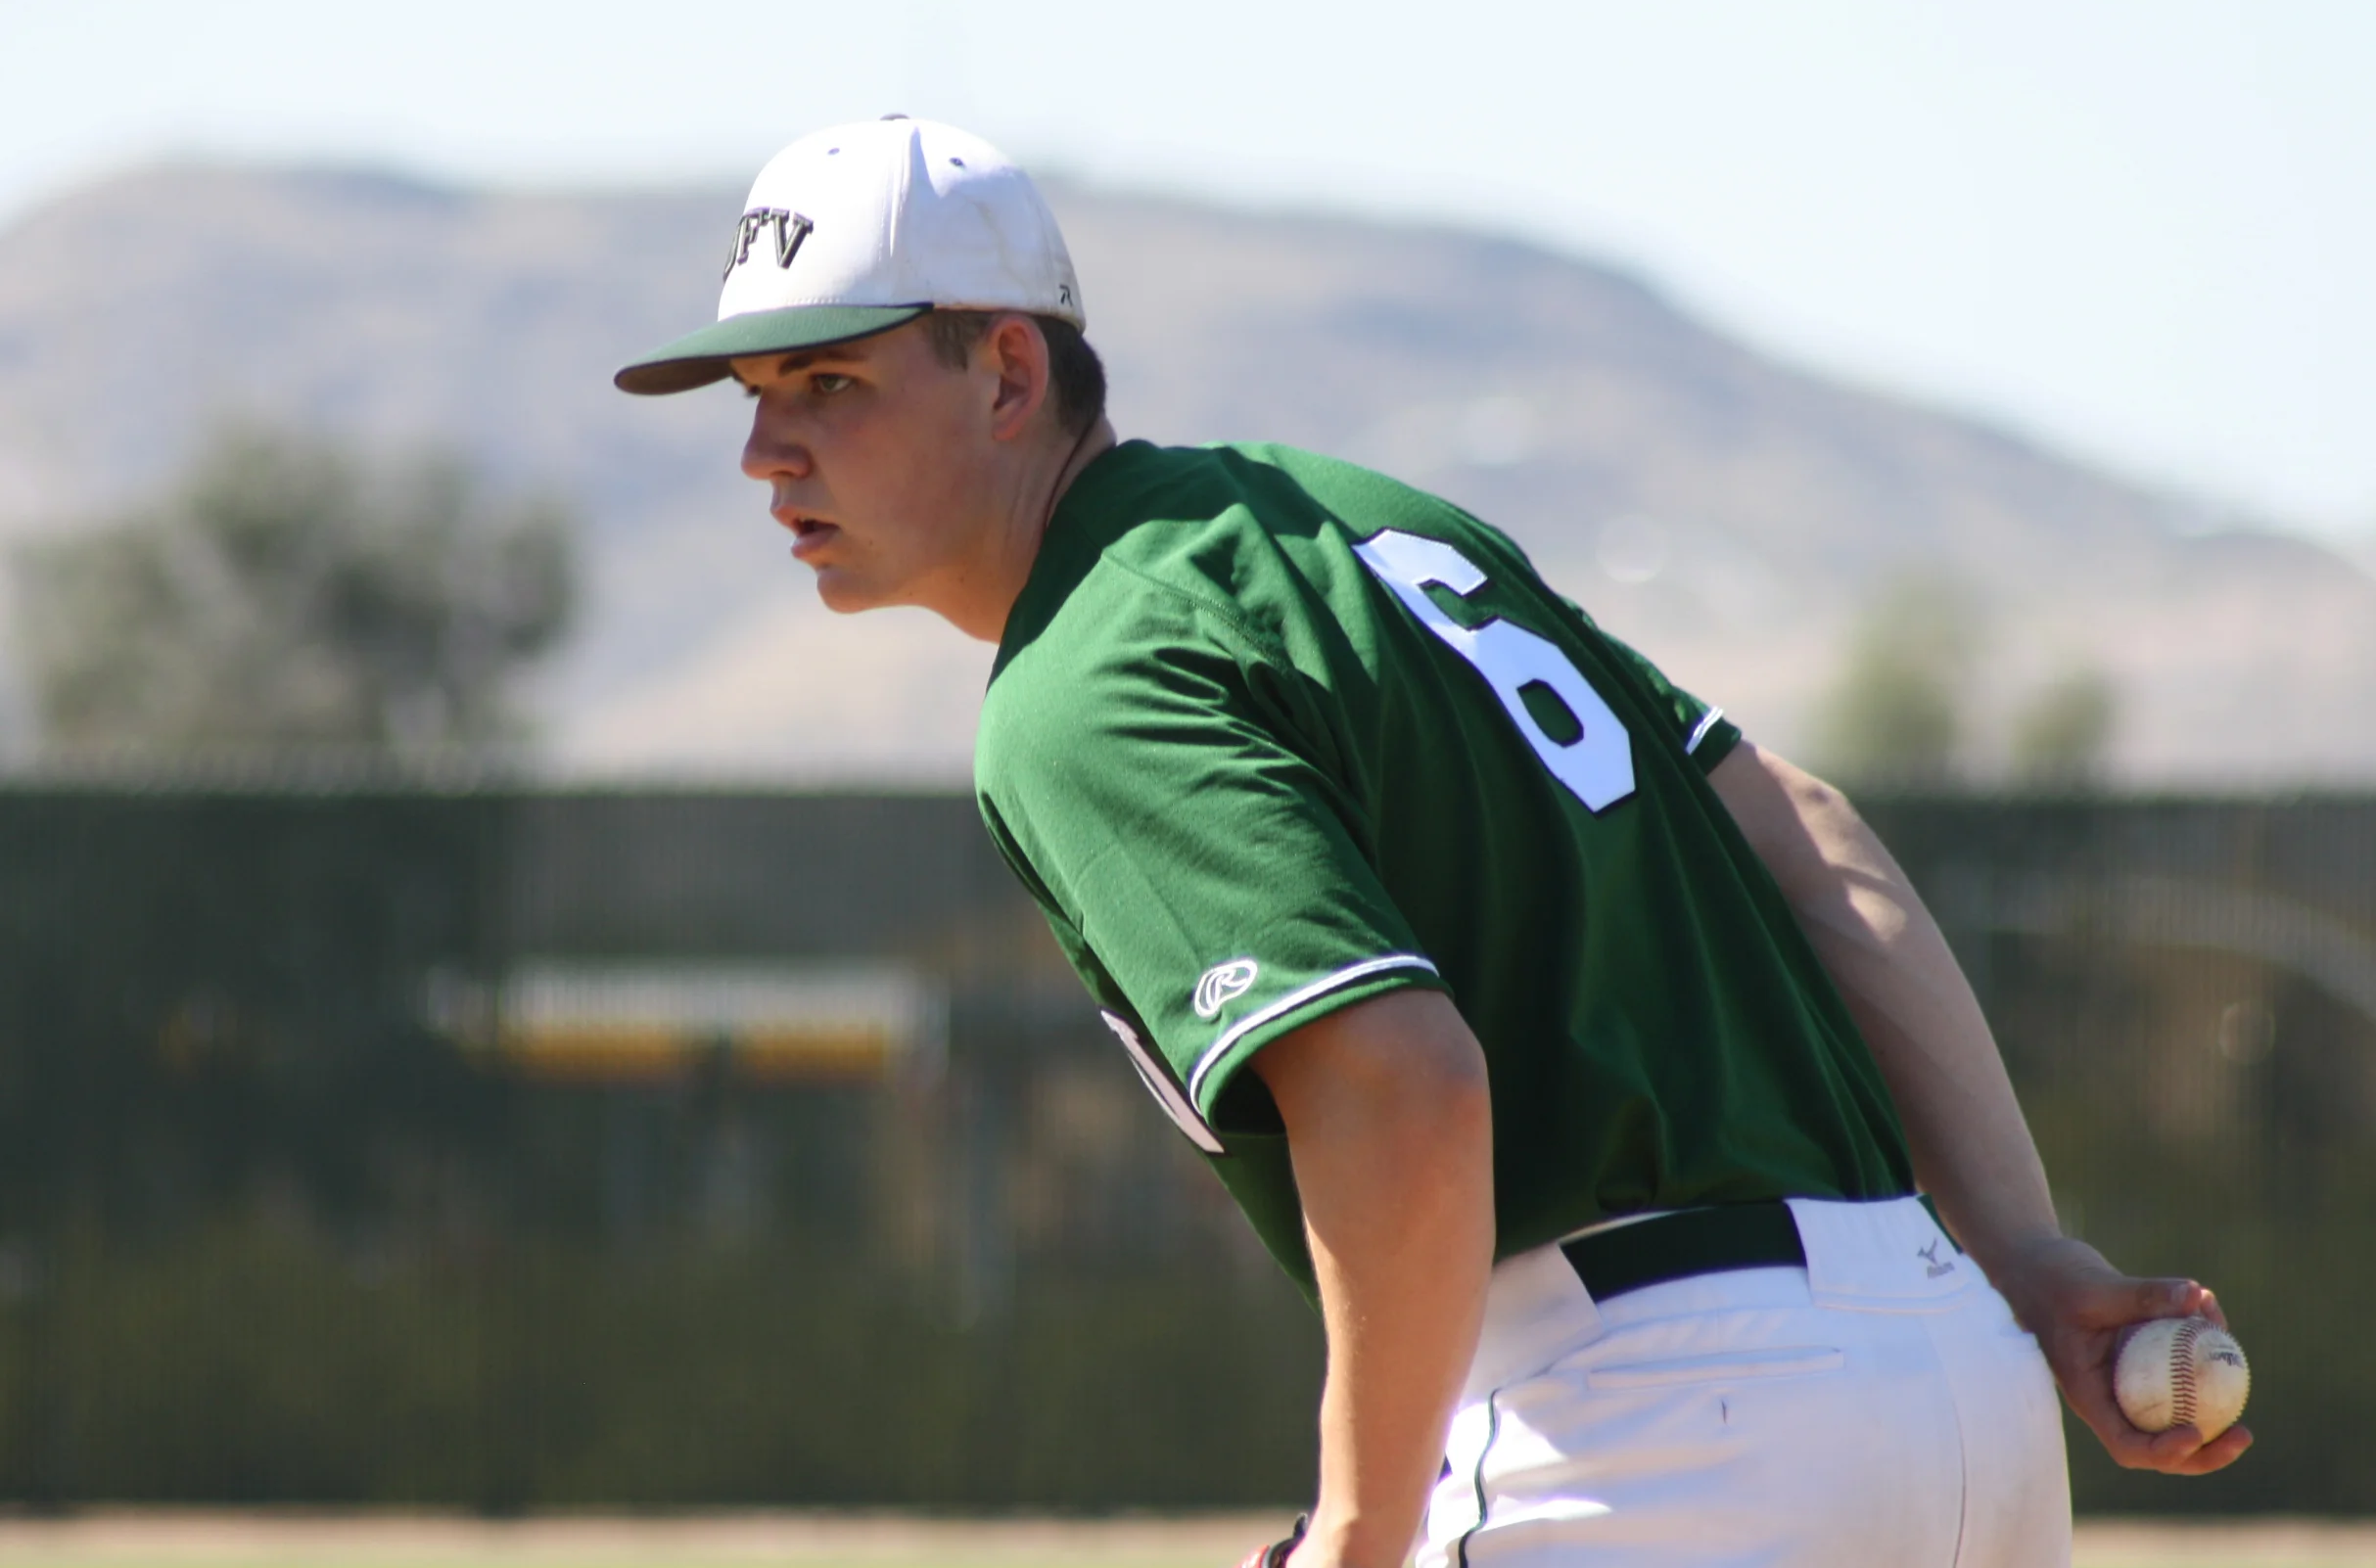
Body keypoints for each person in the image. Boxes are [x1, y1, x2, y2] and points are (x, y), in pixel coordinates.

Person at [616, 116, 2249, 1567]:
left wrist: (1358, 1530)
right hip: (1955, 1393)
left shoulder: (1083, 679)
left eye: (830, 382)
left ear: (1010, 374)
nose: (766, 448)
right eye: (757, 394)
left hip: (1654, 1432)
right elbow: (1801, 827)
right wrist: (2027, 1257)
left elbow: (1403, 1088)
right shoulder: (1356, 521)